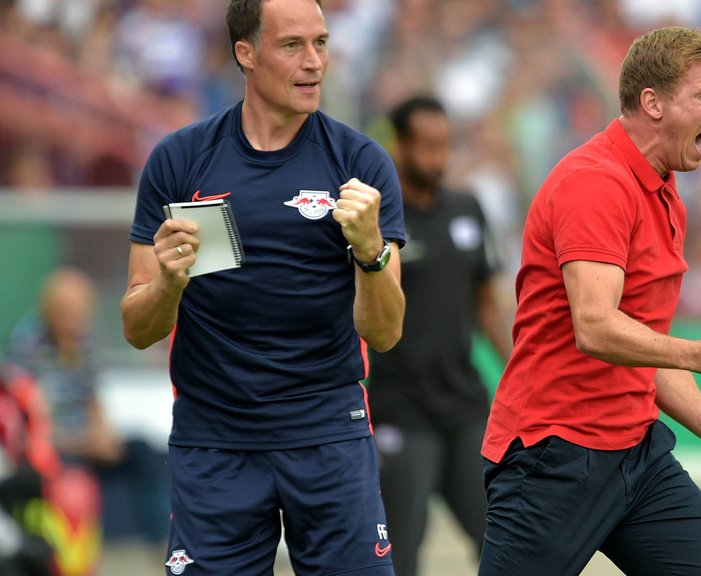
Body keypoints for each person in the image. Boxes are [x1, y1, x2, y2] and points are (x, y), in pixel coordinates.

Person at [479, 26, 701, 576]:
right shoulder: (595, 182)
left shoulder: (665, 189)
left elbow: (646, 350)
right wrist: (694, 354)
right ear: (652, 103)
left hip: (636, 454)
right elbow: (596, 327)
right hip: (555, 455)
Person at [119, 0, 405, 574]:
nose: (314, 62)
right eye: (292, 45)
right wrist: (170, 282)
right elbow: (136, 327)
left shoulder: (360, 163)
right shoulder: (179, 160)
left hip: (328, 435)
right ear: (245, 54)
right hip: (214, 443)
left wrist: (371, 251)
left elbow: (386, 332)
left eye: (321, 43)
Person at [368, 95, 511, 576]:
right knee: (401, 553)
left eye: (445, 145)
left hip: (466, 405)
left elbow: (489, 304)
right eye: (427, 146)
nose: (438, 157)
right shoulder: (380, 221)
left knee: (507, 539)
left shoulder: (468, 208)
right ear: (400, 147)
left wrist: (522, 374)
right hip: (401, 410)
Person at [4, 266, 169, 545]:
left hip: (86, 441)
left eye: (81, 312)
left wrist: (103, 435)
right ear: (50, 310)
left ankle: (163, 543)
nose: (75, 320)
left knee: (144, 453)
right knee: (68, 477)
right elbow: (28, 416)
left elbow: (92, 396)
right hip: (51, 449)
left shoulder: (86, 340)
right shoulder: (27, 346)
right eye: (67, 313)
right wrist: (78, 442)